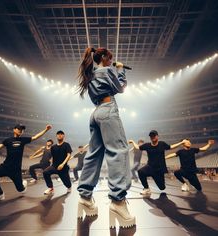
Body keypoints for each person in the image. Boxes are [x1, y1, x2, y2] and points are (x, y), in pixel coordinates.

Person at [77, 47, 135, 228]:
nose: (111, 61)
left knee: (94, 154)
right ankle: (118, 202)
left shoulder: (91, 73)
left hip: (95, 113)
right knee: (118, 151)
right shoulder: (107, 69)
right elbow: (121, 88)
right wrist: (121, 70)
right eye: (110, 58)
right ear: (103, 57)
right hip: (108, 111)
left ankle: (85, 196)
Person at [0, 124, 52, 203]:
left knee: (21, 190)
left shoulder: (23, 140)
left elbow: (35, 137)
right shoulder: (8, 140)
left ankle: (23, 184)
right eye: (19, 128)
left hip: (16, 170)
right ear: (14, 130)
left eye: (22, 129)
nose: (20, 130)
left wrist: (46, 130)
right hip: (5, 166)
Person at [129, 130, 186, 195]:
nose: (152, 137)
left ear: (157, 136)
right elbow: (138, 147)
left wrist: (181, 143)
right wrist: (132, 141)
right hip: (150, 167)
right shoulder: (147, 145)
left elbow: (171, 147)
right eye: (151, 136)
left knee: (162, 188)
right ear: (150, 137)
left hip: (159, 170)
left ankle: (155, 179)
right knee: (140, 171)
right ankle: (146, 188)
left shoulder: (162, 144)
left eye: (154, 135)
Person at [43, 130, 72, 195]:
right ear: (56, 136)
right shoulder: (53, 147)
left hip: (63, 167)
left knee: (67, 183)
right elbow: (53, 156)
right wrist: (51, 164)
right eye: (58, 134)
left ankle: (69, 187)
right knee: (45, 172)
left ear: (63, 136)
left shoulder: (66, 145)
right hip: (54, 166)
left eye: (61, 134)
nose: (60, 135)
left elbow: (69, 155)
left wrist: (63, 164)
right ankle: (51, 188)